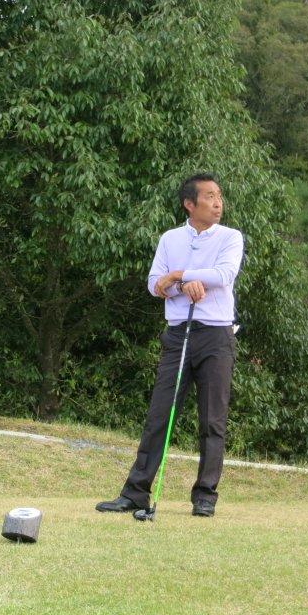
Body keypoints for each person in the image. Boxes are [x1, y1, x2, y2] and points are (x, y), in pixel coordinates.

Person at [96, 173, 244, 518]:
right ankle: (135, 493)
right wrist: (181, 284)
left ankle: (205, 496)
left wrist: (180, 276)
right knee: (159, 414)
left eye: (219, 196)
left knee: (212, 420)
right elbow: (154, 283)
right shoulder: (170, 238)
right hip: (178, 335)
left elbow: (223, 275)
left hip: (216, 336)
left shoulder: (230, 237)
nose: (218, 203)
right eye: (209, 196)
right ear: (189, 204)